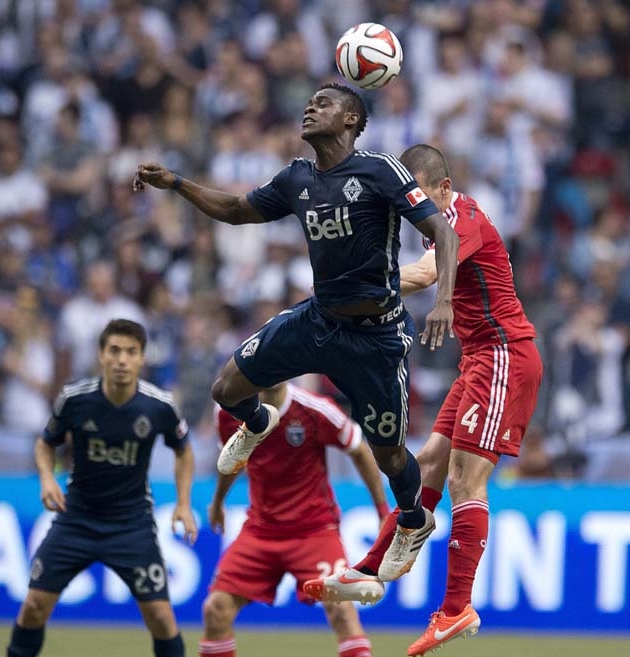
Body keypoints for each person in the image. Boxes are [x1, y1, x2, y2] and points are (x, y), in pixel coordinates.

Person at [134, 82, 460, 585]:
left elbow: (444, 231)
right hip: (320, 319)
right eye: (309, 101)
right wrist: (177, 182)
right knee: (226, 390)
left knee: (390, 453)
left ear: (351, 120)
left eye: (324, 103)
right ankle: (257, 421)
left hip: (377, 337)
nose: (310, 107)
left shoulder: (379, 170)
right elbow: (237, 210)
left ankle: (414, 521)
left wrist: (441, 303)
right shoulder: (297, 179)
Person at [305, 144, 543, 657]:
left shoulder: (462, 215)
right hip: (479, 358)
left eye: (416, 193)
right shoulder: (436, 218)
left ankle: (457, 608)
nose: (409, 204)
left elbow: (426, 272)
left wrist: (345, 291)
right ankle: (371, 567)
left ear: (441, 187)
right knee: (429, 461)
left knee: (465, 478)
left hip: (506, 354)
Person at [0, 319, 199, 657]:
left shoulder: (158, 406)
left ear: (141, 358)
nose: (121, 360)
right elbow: (45, 442)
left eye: (130, 352)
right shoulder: (75, 401)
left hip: (131, 524)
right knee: (34, 606)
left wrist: (185, 504)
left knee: (161, 617)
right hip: (76, 519)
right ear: (101, 355)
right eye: (114, 350)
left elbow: (184, 450)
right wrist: (45, 479)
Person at [193, 381, 390, 657]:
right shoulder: (231, 412)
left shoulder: (316, 410)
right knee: (215, 609)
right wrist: (218, 502)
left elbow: (359, 448)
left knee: (340, 607)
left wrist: (382, 510)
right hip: (261, 530)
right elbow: (232, 459)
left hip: (314, 530)